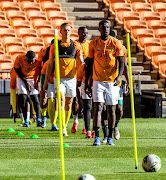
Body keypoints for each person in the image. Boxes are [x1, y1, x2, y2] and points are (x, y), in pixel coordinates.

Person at [85, 20, 124, 146]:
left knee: (111, 109)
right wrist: (87, 81)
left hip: (112, 81)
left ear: (110, 28)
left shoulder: (116, 43)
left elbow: (122, 62)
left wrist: (119, 76)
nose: (106, 29)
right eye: (103, 27)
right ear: (99, 29)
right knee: (98, 107)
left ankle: (109, 137)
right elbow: (90, 64)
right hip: (98, 80)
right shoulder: (93, 43)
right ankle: (97, 136)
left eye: (107, 27)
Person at [43, 23, 83, 136]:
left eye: (68, 30)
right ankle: (63, 128)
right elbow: (50, 64)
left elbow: (80, 61)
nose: (67, 32)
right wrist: (46, 81)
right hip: (59, 78)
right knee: (60, 100)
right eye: (64, 30)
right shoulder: (55, 46)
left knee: (69, 104)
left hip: (71, 78)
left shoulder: (76, 45)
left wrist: (82, 76)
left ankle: (64, 125)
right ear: (60, 32)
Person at [71, 26, 90, 134]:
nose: (84, 35)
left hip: (84, 76)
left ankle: (84, 126)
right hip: (74, 75)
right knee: (75, 100)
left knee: (85, 101)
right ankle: (75, 120)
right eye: (82, 33)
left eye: (86, 33)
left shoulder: (89, 45)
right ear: (78, 33)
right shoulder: (74, 44)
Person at [14, 51, 41, 127]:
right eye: (29, 60)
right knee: (23, 97)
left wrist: (38, 81)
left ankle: (39, 119)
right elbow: (17, 69)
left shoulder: (37, 60)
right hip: (22, 78)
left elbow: (40, 70)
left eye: (32, 60)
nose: (31, 62)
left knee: (35, 98)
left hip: (33, 78)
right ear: (26, 58)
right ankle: (26, 120)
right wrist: (25, 81)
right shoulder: (19, 58)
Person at [34, 39, 54, 127]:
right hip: (44, 74)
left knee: (56, 98)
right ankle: (43, 116)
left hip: (57, 76)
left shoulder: (63, 51)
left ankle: (56, 122)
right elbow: (38, 65)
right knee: (43, 97)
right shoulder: (44, 50)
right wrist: (36, 79)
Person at [40, 60, 59, 130]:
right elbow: (43, 76)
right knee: (51, 99)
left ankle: (54, 122)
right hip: (49, 82)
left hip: (59, 81)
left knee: (57, 100)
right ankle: (52, 123)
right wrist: (43, 87)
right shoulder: (47, 64)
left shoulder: (60, 63)